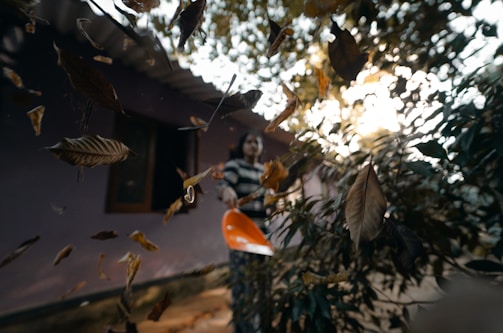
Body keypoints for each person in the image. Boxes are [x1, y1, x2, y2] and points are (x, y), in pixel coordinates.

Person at [217, 129, 272, 333]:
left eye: (257, 142)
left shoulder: (265, 171)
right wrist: (226, 190)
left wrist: (274, 199)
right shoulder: (235, 166)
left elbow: (269, 200)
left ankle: (264, 327)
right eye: (249, 141)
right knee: (243, 287)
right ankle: (244, 330)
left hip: (263, 238)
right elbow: (222, 184)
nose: (253, 145)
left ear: (261, 148)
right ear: (242, 146)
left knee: (264, 285)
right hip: (241, 240)